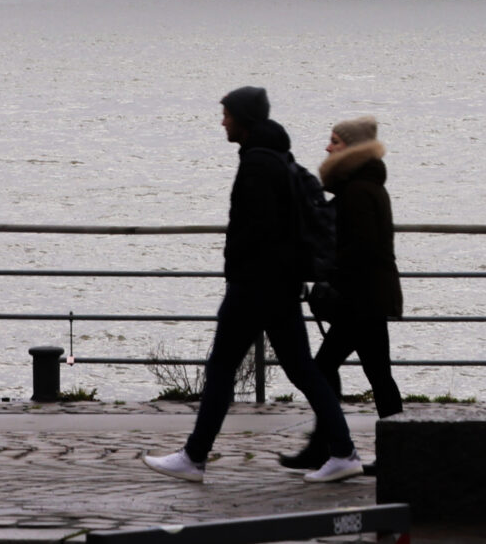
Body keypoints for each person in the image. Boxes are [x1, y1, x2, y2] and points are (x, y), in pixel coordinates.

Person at [144, 86, 359, 485]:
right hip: (279, 286)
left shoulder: (258, 165)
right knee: (303, 370)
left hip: (255, 286)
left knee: (222, 367)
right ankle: (344, 451)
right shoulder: (278, 157)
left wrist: (242, 274)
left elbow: (258, 231)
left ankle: (194, 457)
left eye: (226, 114)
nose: (222, 121)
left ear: (243, 118)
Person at [286, 117, 404, 469]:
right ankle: (392, 453)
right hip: (368, 297)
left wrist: (325, 271)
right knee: (379, 376)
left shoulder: (357, 192)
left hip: (360, 300)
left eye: (335, 141)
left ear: (351, 149)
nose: (327, 147)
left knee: (322, 370)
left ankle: (332, 449)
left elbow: (360, 249)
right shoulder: (366, 186)